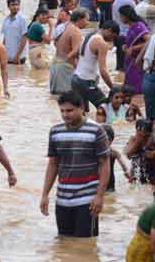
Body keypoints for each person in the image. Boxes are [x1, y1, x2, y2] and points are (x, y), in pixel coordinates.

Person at [40, 91, 110, 237]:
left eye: (70, 110)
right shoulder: (55, 132)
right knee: (65, 245)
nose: (65, 115)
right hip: (62, 200)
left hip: (87, 201)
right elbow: (53, 164)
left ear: (82, 108)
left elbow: (104, 164)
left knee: (85, 247)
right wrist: (45, 194)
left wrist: (99, 196)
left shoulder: (97, 131)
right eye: (62, 111)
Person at [71, 20, 118, 110]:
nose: (112, 40)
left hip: (75, 79)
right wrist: (113, 88)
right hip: (87, 81)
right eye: (113, 37)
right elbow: (103, 70)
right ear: (109, 30)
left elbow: (73, 55)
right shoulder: (102, 44)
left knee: (82, 113)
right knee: (106, 109)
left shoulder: (87, 36)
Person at [2, 0, 28, 65]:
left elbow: (24, 39)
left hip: (19, 58)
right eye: (13, 5)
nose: (15, 7)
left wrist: (17, 56)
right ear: (8, 6)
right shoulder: (6, 20)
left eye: (17, 4)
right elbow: (5, 38)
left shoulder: (23, 19)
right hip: (8, 57)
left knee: (19, 76)